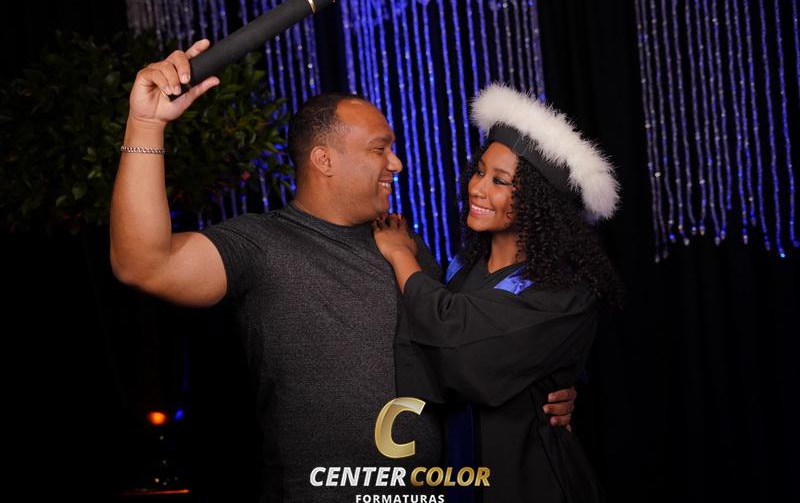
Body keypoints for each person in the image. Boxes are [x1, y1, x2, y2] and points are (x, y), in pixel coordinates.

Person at [110, 41, 577, 502]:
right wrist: (146, 124)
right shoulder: (260, 244)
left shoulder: (405, 243)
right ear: (324, 160)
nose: (396, 163)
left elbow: (465, 349)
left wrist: (538, 390)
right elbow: (144, 264)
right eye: (380, 149)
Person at [372, 84, 623, 503]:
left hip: (530, 481)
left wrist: (400, 255)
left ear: (538, 204)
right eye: (479, 171)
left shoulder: (564, 293)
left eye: (500, 181)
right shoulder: (461, 269)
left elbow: (459, 350)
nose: (477, 187)